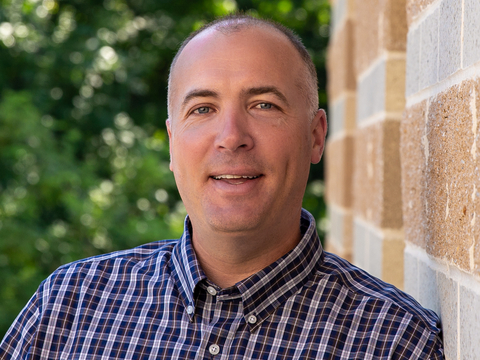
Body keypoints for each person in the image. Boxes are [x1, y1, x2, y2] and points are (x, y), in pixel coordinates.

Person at [0, 14, 444, 359]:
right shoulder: (68, 308)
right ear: (173, 144)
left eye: (264, 105)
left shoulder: (399, 343)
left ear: (315, 135)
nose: (231, 136)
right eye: (203, 109)